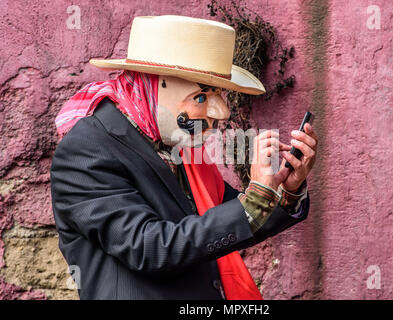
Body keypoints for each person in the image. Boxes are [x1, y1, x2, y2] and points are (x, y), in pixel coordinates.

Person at [50, 15, 318, 300]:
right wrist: (256, 198)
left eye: (221, 96)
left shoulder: (174, 144)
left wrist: (285, 190)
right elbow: (148, 248)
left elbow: (235, 216)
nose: (222, 113)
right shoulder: (85, 149)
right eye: (201, 98)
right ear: (153, 86)